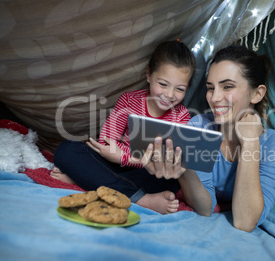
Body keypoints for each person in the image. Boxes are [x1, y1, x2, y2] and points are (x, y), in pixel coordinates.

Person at [130, 44, 275, 231]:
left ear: (257, 93)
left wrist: (251, 142)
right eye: (210, 88)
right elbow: (205, 208)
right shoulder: (199, 126)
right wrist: (184, 170)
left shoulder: (274, 142)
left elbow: (245, 222)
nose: (214, 98)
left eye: (227, 86)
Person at [51, 40, 196, 214]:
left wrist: (125, 157)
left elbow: (167, 162)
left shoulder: (182, 116)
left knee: (170, 180)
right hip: (114, 166)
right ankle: (142, 199)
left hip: (147, 175)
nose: (170, 95)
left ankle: (89, 180)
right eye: (163, 84)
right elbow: (106, 143)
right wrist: (121, 157)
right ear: (149, 75)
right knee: (67, 149)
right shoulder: (129, 100)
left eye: (179, 89)